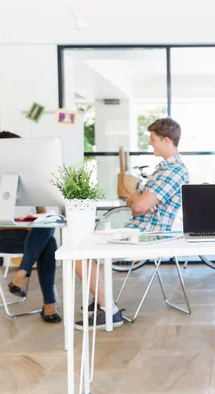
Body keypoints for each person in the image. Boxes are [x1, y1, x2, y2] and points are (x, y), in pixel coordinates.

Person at [74, 117, 189, 330]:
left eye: (153, 139)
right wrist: (139, 198)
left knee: (80, 255)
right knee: (85, 249)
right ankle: (104, 300)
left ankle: (109, 311)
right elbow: (133, 199)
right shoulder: (163, 169)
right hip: (139, 229)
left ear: (166, 140)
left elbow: (137, 206)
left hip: (148, 234)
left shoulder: (173, 171)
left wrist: (139, 199)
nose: (150, 143)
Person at [0, 131, 60, 323]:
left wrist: (36, 219)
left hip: (32, 235)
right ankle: (49, 304)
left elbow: (43, 212)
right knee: (49, 242)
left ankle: (22, 272)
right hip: (7, 236)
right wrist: (23, 226)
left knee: (48, 227)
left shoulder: (28, 176)